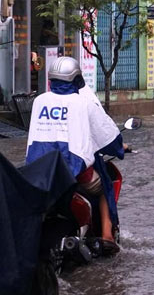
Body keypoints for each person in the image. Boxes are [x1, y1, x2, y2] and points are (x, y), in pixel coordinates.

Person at [26, 57, 123, 252]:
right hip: (75, 175)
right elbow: (110, 140)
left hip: (40, 175)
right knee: (106, 183)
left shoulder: (39, 101)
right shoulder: (84, 102)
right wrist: (120, 148)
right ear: (77, 79)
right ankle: (106, 235)